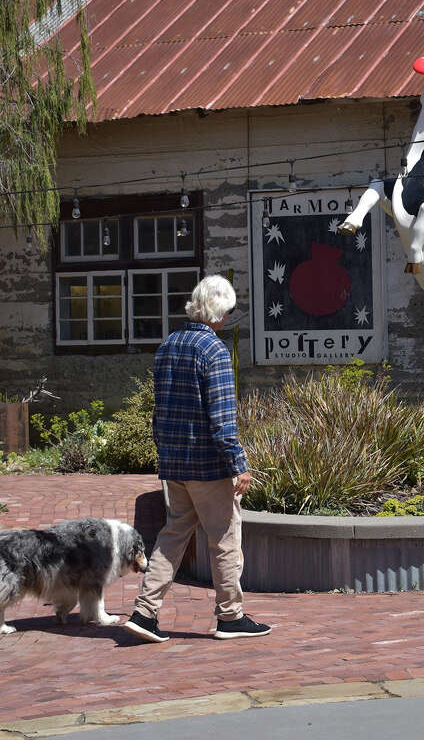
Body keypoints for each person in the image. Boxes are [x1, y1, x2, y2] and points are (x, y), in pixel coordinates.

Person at [122, 275, 271, 642]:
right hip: (208, 466)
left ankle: (144, 612)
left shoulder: (168, 346)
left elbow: (159, 413)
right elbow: (222, 419)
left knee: (172, 536)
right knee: (224, 540)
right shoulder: (214, 350)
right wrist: (238, 463)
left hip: (174, 464)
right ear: (219, 312)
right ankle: (230, 616)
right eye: (229, 311)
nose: (228, 319)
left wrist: (164, 454)